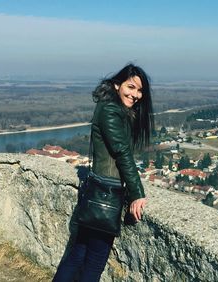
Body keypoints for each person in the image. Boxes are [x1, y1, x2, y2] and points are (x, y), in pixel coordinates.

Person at [53, 64, 154, 282]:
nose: (135, 94)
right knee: (94, 261)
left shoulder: (110, 106)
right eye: (131, 87)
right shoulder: (110, 110)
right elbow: (122, 152)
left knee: (78, 253)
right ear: (117, 84)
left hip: (98, 189)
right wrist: (137, 193)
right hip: (106, 192)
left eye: (139, 91)